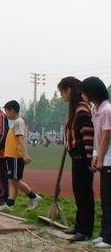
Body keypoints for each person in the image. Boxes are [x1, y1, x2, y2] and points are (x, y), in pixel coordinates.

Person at [58, 77, 95, 242]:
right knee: (79, 192)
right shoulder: (75, 108)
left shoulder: (81, 109)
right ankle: (80, 226)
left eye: (62, 92)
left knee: (84, 193)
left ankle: (86, 230)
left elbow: (88, 134)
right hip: (76, 155)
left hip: (82, 156)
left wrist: (88, 159)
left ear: (69, 90)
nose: (61, 96)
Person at [81, 77, 111, 248]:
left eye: (84, 92)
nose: (83, 95)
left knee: (109, 199)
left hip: (109, 159)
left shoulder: (107, 109)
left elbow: (106, 136)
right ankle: (104, 233)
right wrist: (94, 155)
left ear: (91, 92)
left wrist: (100, 158)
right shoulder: (95, 109)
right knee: (105, 198)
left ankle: (109, 238)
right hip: (102, 158)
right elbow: (97, 137)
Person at [1, 100, 42, 211]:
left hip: (15, 156)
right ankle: (10, 204)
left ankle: (34, 197)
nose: (6, 114)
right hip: (10, 156)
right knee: (11, 180)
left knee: (14, 180)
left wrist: (25, 155)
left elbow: (21, 139)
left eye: (6, 111)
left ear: (12, 111)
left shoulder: (19, 122)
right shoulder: (16, 122)